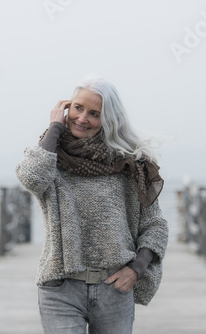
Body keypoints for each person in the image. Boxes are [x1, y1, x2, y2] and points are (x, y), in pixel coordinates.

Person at [15, 76, 168, 334]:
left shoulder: (129, 164)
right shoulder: (51, 156)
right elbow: (31, 177)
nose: (82, 118)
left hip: (114, 288)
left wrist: (137, 269)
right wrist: (54, 126)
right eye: (77, 108)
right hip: (60, 289)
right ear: (66, 108)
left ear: (108, 120)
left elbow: (155, 225)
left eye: (94, 113)